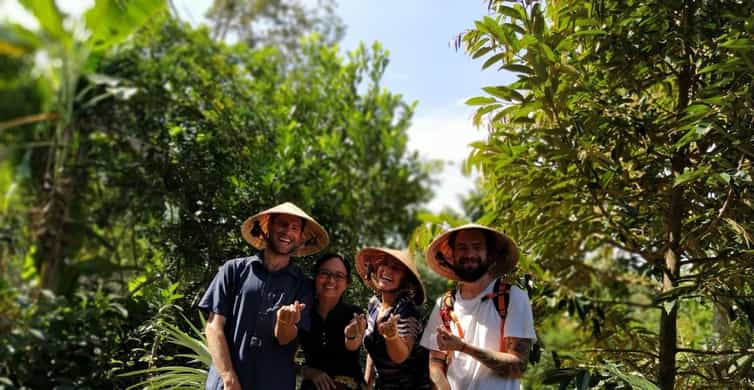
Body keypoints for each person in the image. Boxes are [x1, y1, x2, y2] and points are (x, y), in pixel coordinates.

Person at [198, 202, 329, 390]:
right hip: (225, 384)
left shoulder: (303, 285)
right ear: (268, 227)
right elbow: (213, 327)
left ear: (301, 238)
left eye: (295, 228)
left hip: (274, 382)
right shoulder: (234, 270)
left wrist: (285, 323)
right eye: (282, 224)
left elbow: (286, 339)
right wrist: (228, 377)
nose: (287, 232)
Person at [419, 224, 536, 390]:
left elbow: (517, 367)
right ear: (452, 255)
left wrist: (463, 347)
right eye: (462, 247)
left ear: (489, 254)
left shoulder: (512, 297)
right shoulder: (444, 304)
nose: (469, 254)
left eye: (477, 247)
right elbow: (435, 362)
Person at [355, 247, 431, 390]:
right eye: (384, 263)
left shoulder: (406, 310)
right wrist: (367, 384)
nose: (388, 270)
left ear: (405, 279)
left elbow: (400, 356)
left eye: (396, 268)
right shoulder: (374, 304)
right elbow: (373, 349)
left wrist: (392, 336)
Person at [299, 253, 367, 390]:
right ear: (316, 277)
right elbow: (284, 357)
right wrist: (308, 372)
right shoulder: (302, 312)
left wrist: (351, 335)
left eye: (339, 276)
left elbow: (353, 344)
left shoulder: (355, 314)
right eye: (325, 273)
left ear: (347, 283)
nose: (331, 280)